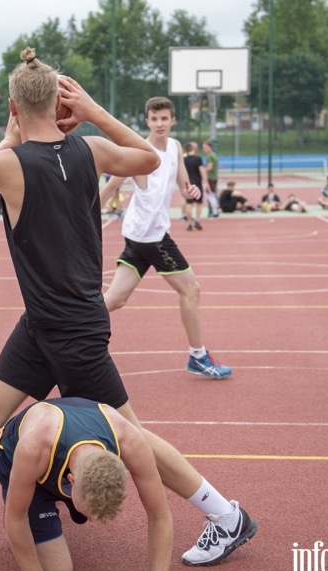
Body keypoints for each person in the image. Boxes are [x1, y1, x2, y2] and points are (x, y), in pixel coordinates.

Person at [0, 49, 255, 571]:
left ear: (12, 106)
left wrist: (12, 135)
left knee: (132, 439)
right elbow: (150, 159)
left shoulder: (5, 162)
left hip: (73, 330)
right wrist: (94, 111)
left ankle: (225, 514)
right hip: (45, 322)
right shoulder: (93, 149)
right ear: (65, 102)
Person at [100, 96, 232, 380]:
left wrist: (191, 193)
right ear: (147, 121)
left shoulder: (174, 148)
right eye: (154, 119)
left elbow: (184, 187)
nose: (159, 123)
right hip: (152, 237)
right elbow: (112, 184)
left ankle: (69, 329)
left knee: (115, 299)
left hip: (142, 234)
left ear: (173, 121)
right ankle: (198, 356)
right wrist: (84, 215)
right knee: (191, 290)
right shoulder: (139, 152)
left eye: (164, 118)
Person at [0, 397, 172, 571]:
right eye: (91, 513)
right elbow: (16, 517)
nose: (96, 522)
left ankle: (58, 518)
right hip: (16, 460)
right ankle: (44, 510)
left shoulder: (130, 440)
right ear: (71, 481)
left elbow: (160, 516)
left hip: (66, 455)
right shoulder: (34, 447)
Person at [182, 141, 208, 231]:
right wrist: (206, 182)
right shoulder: (198, 159)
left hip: (188, 184)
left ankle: (189, 223)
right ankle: (197, 220)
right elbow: (202, 171)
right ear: (193, 149)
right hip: (197, 183)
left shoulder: (183, 159)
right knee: (199, 203)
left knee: (189, 203)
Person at [202, 140, 220, 217]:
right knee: (211, 194)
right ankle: (215, 210)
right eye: (203, 148)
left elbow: (210, 167)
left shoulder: (210, 156)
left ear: (210, 147)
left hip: (211, 177)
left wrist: (202, 170)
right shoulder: (214, 155)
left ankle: (215, 211)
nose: (204, 149)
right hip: (213, 176)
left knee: (210, 194)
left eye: (206, 147)